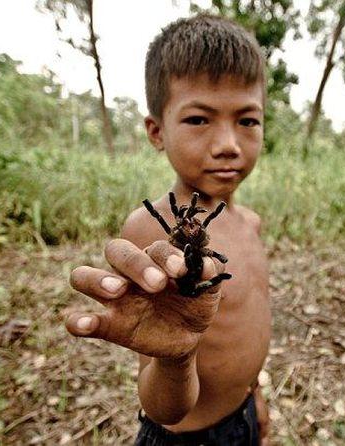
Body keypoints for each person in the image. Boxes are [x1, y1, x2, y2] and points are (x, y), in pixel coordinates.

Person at [65, 15, 271, 445]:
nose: (229, 144)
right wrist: (177, 361)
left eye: (247, 121)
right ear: (156, 131)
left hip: (244, 416)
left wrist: (256, 397)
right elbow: (163, 408)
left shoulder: (250, 222)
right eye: (199, 120)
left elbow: (248, 329)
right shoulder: (150, 232)